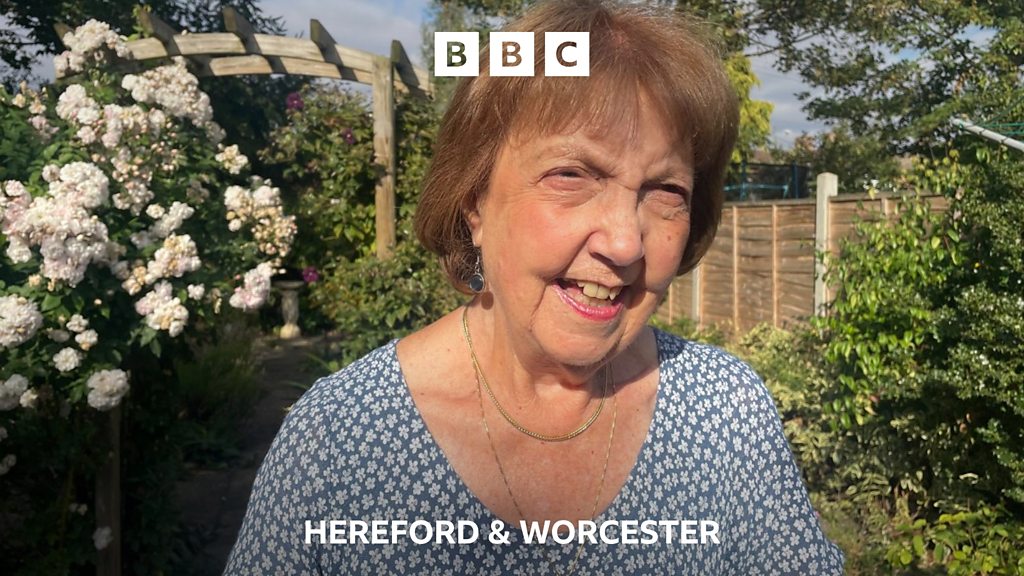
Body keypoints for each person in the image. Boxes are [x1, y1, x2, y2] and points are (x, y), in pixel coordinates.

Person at [225, 0, 845, 573]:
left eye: (665, 191)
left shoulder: (726, 416)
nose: (625, 243)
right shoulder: (341, 442)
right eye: (571, 174)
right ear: (474, 201)